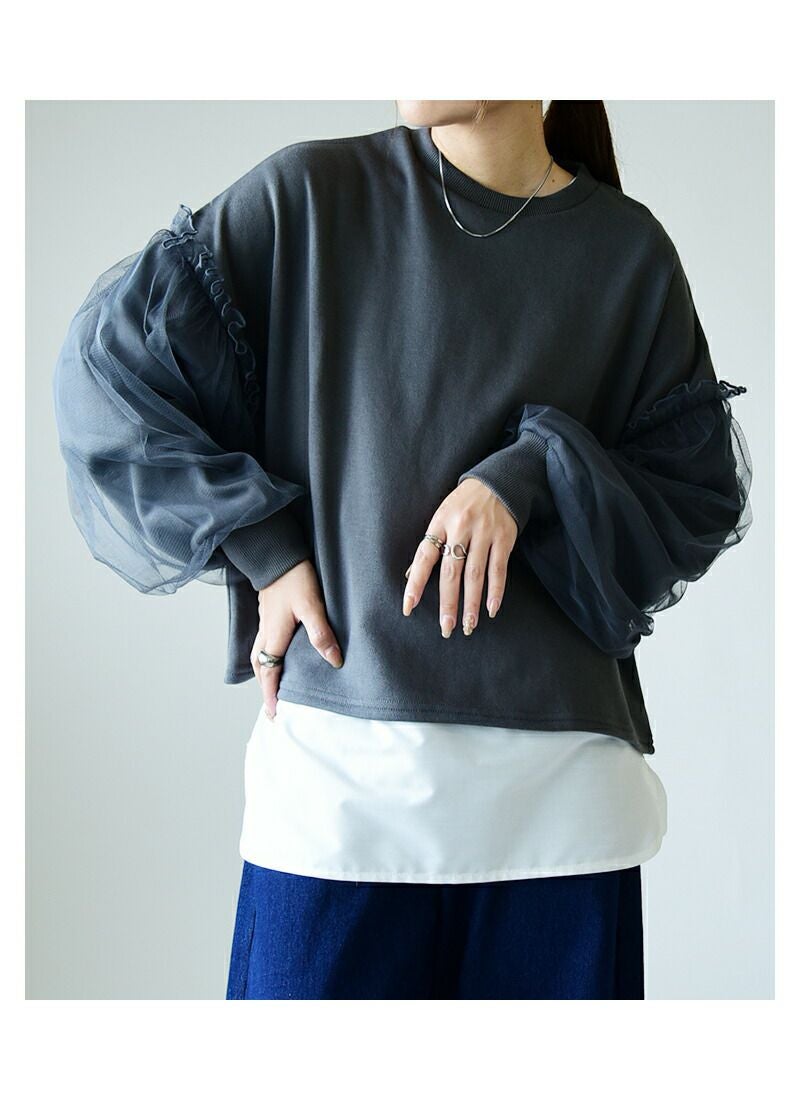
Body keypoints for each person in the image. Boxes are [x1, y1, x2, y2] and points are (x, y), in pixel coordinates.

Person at [52, 100, 753, 999]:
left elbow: (697, 491)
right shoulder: (310, 197)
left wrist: (531, 470)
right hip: (340, 799)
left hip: (563, 821)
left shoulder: (630, 253)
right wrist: (265, 549)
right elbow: (110, 373)